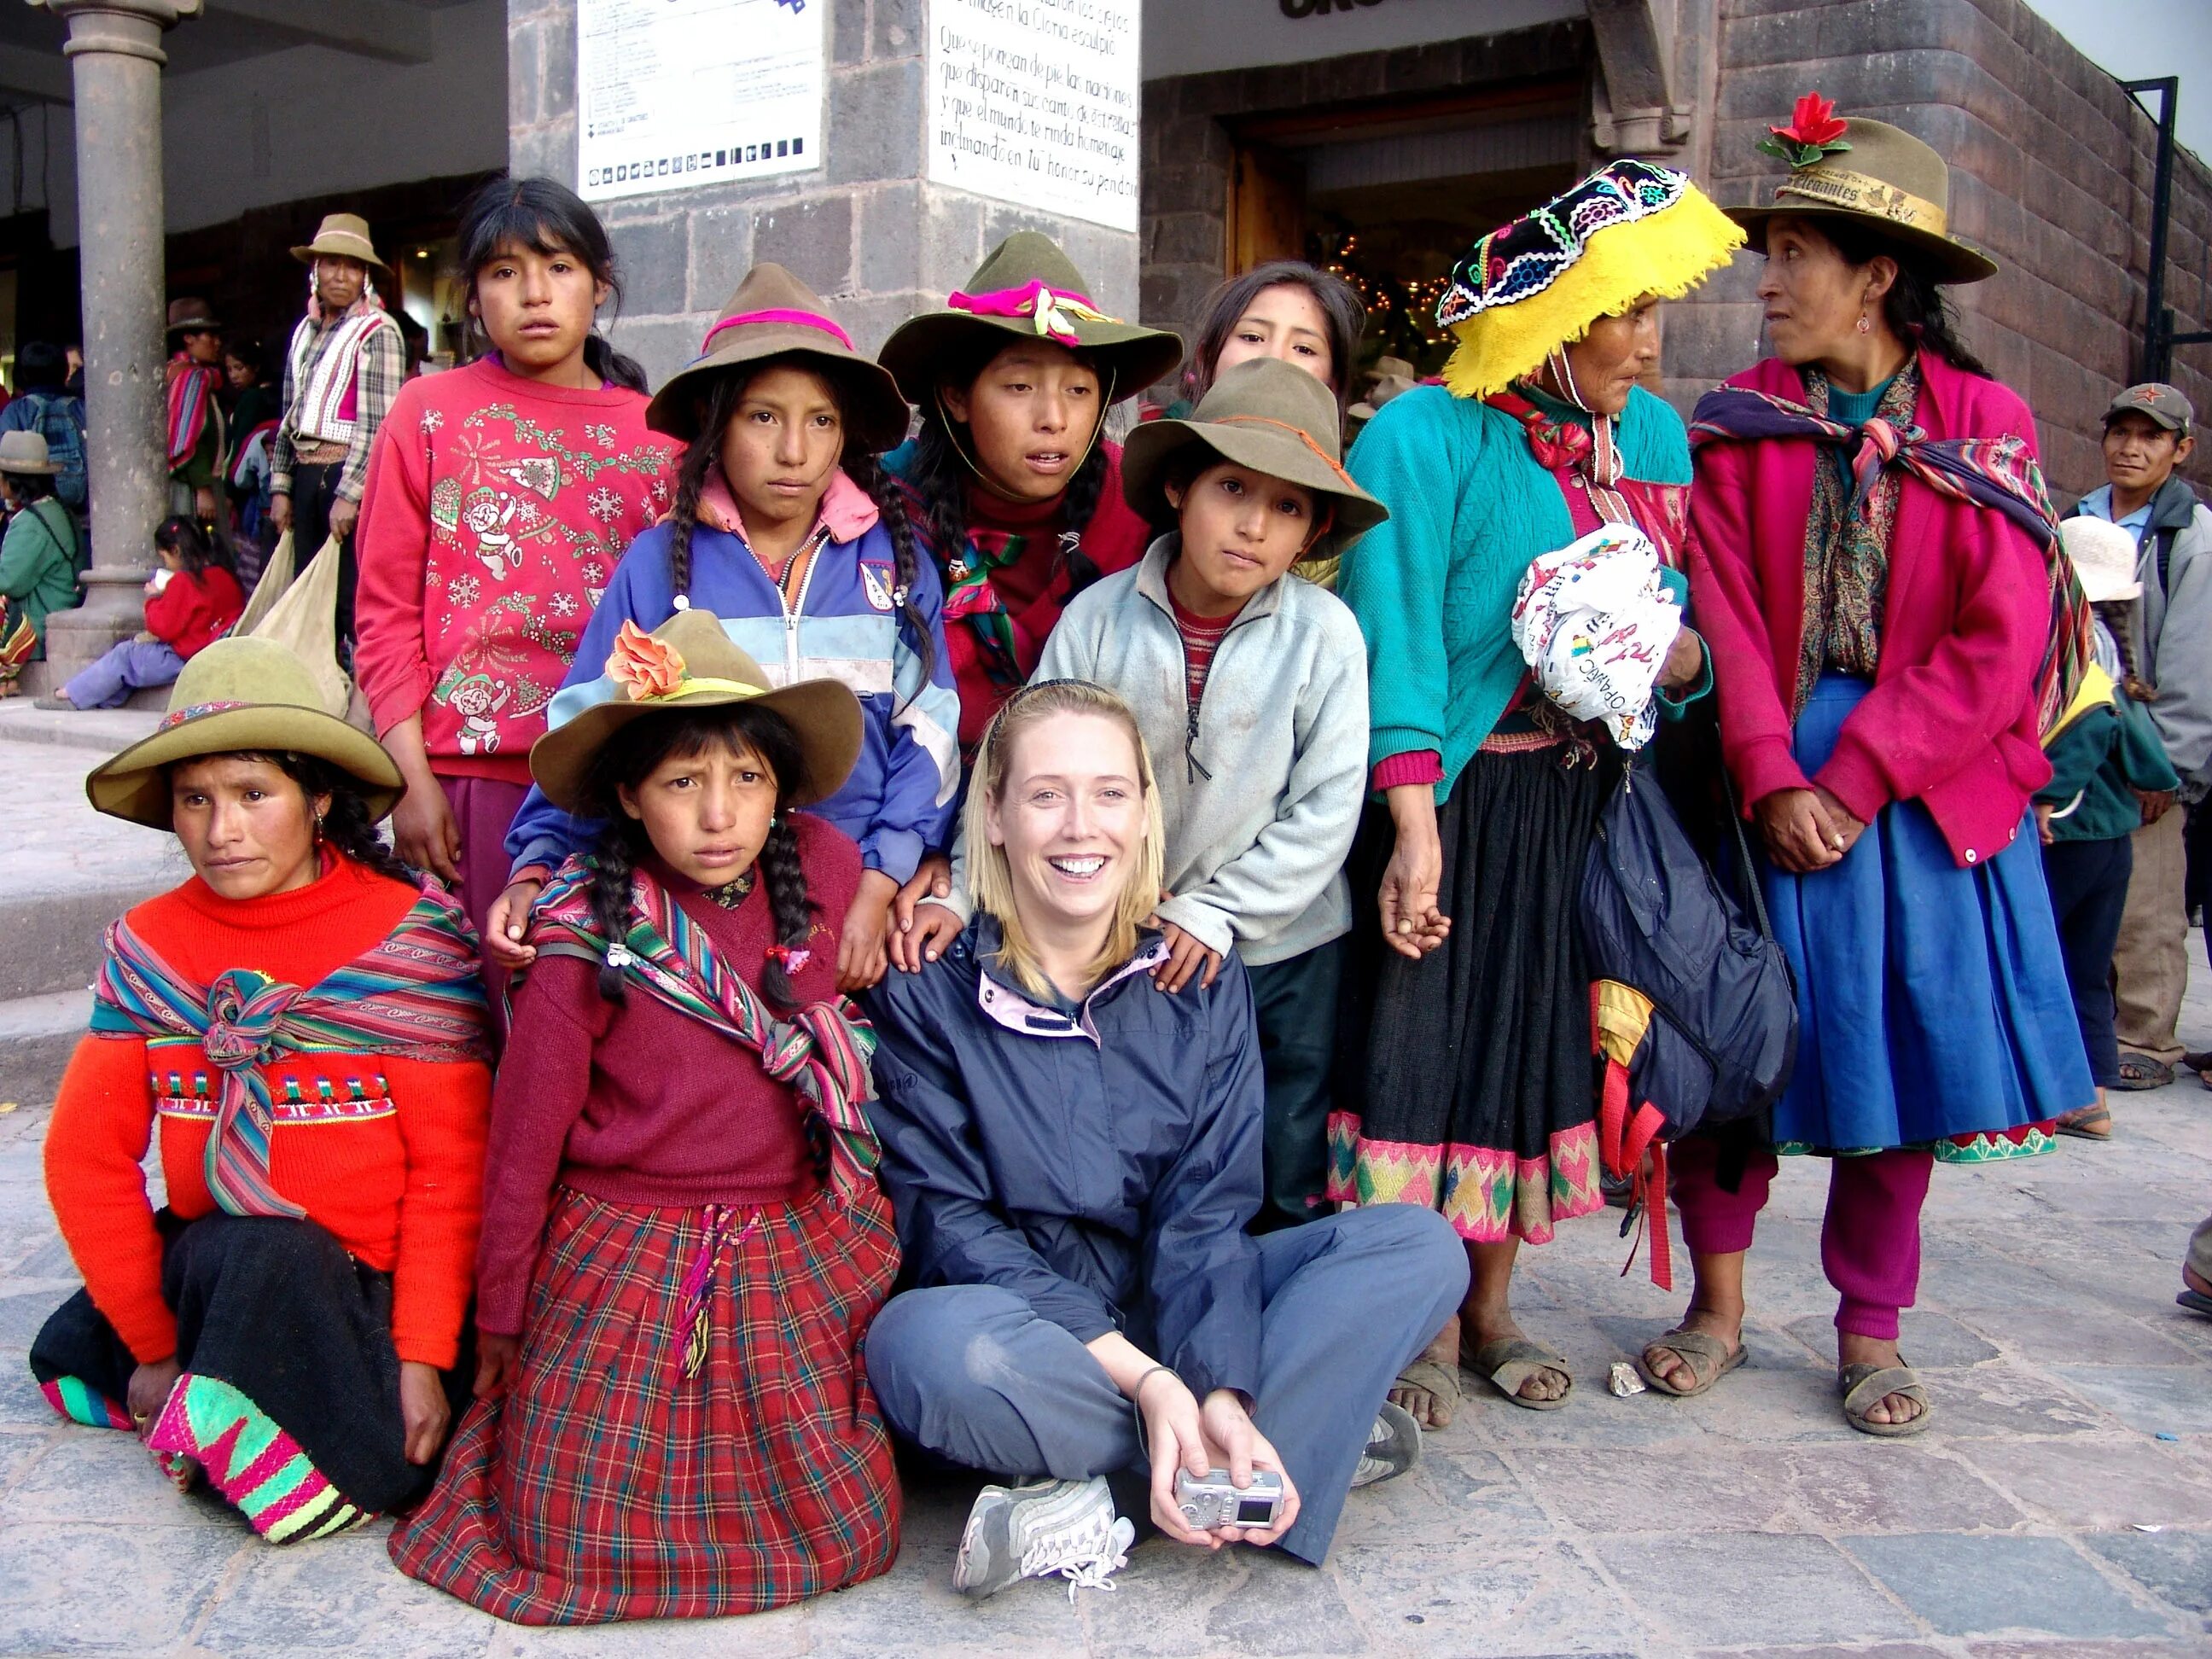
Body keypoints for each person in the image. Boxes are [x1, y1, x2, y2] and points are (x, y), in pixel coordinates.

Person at [1674, 101, 2096, 1435]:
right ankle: (1719, 1308)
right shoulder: (1741, 425)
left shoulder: (1985, 421)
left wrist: (1853, 778)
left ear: (1878, 279)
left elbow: (1998, 638)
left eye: (1798, 254)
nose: (1771, 281)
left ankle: (1869, 1327)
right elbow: (1725, 606)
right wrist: (1766, 769)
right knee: (1734, 1046)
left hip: (1909, 802)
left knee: (1889, 1070)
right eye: (1771, 252)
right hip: (1763, 790)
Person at [862, 680, 1464, 1598]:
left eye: (1110, 793)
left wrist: (1214, 1383)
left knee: (1415, 1246)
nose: (1080, 826)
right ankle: (1285, 1445)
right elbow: (949, 1228)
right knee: (929, 1351)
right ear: (993, 816)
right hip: (1034, 1338)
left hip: (1174, 1317)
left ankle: (1108, 1501)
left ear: (1145, 812)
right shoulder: (927, 984)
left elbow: (1208, 1214)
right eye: (1045, 794)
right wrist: (1147, 1383)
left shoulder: (1196, 978)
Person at [1330, 160, 1739, 1427]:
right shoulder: (1427, 435)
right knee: (1419, 1053)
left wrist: (1679, 663)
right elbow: (1394, 632)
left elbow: (1680, 632)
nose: (1649, 341)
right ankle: (1410, 1326)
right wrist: (1409, 826)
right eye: (1626, 313)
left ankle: (1491, 1309)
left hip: (1582, 807)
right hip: (1452, 801)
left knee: (1524, 1053)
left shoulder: (1653, 442)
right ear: (1554, 317)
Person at [391, 610, 899, 1623]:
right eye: (682, 782)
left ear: (781, 795)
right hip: (620, 1244)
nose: (719, 815)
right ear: (627, 795)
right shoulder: (580, 937)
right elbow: (523, 1145)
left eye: (747, 779)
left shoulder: (826, 874)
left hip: (784, 1236)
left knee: (846, 1523)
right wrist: (500, 1316)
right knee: (559, 1525)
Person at [896, 357, 1385, 1231]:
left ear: (1310, 535)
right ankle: (1145, 1334)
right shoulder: (1100, 618)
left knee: (1280, 1155)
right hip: (1129, 941)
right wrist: (967, 889)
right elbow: (1022, 762)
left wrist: (1223, 910)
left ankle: (1263, 1343)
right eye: (1232, 488)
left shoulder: (1325, 637)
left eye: (1287, 508)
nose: (1252, 526)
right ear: (1179, 491)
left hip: (1281, 946)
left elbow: (1327, 807)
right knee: (1158, 1144)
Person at [27, 635, 492, 1541]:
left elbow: (450, 1170)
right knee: (253, 1255)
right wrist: (155, 1348)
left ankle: (242, 1412)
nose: (221, 829)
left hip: (383, 1283)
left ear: (318, 799)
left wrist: (422, 1356)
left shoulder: (408, 943)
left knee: (391, 1380)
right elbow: (84, 1156)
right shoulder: (152, 950)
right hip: (234, 1260)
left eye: (253, 795)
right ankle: (207, 1385)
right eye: (195, 800)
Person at [493, 265, 957, 996]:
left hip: (863, 899)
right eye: (763, 417)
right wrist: (537, 864)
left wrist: (878, 879)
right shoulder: (658, 567)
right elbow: (589, 725)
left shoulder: (893, 563)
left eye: (822, 420)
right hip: (696, 903)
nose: (794, 451)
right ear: (716, 423)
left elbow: (930, 728)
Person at [352, 176, 674, 963]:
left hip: (619, 780)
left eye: (559, 267)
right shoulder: (427, 413)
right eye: (504, 272)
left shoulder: (660, 436)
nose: (535, 293)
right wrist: (411, 782)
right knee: (474, 1011)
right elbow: (383, 613)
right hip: (469, 780)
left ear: (601, 285)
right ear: (472, 296)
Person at [878, 232, 1183, 754]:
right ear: (957, 398)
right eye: (1020, 387)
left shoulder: (1142, 504)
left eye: (1078, 390)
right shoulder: (881, 505)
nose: (1054, 420)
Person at [2075, 383, 2212, 1091]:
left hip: (2149, 742)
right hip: (2081, 732)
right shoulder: (2079, 518)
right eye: (2121, 432)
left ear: (2180, 450)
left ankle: (2147, 1033)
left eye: (2150, 437)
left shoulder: (2192, 538)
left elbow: (2192, 660)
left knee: (2150, 899)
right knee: (2091, 894)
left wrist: (2171, 769)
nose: (2131, 447)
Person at [2035, 516, 2179, 1141]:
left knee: (2043, 959)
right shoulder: (2117, 654)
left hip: (2067, 834)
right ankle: (2090, 1096)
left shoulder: (2076, 643)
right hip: (2112, 842)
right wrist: (2158, 779)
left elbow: (2093, 728)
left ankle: (2043, 1091)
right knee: (2088, 970)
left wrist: (2047, 793)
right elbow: (2141, 745)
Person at [1151, 260, 1368, 589]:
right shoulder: (1108, 604)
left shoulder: (1322, 623)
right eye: (1252, 337)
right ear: (1206, 357)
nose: (1274, 358)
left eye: (1304, 348)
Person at [269, 212, 406, 661]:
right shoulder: (304, 331)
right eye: (331, 264)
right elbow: (290, 412)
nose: (340, 276)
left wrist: (351, 494)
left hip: (345, 474)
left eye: (352, 266)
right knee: (305, 592)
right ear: (316, 271)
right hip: (307, 475)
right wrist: (281, 485)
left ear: (365, 275)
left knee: (346, 598)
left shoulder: (377, 331)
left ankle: (354, 700)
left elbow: (377, 423)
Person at [39, 516, 241, 712]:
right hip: (211, 649)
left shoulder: (184, 581)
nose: (166, 564)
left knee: (125, 653)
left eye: (165, 557)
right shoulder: (224, 576)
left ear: (176, 551)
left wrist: (153, 599)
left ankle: (70, 695)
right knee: (133, 657)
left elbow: (162, 628)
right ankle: (99, 698)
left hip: (184, 659)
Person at [0, 428, 83, 691]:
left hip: (36, 624)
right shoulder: (57, 510)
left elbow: (8, 581)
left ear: (13, 481)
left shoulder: (30, 524)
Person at [0, 338, 89, 520]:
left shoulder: (17, 411)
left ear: (24, 375)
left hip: (34, 513)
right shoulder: (83, 408)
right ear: (65, 373)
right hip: (83, 514)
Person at [165, 298, 225, 523]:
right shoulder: (190, 378)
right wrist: (203, 488)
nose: (217, 343)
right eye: (210, 336)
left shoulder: (184, 374)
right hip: (189, 488)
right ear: (188, 338)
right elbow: (189, 441)